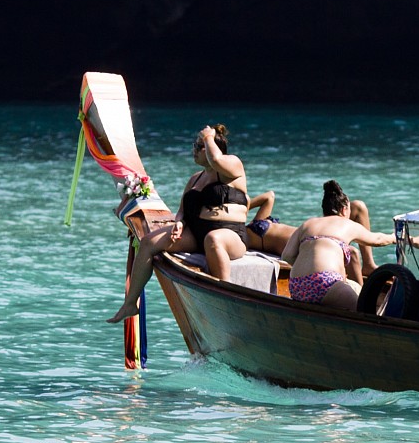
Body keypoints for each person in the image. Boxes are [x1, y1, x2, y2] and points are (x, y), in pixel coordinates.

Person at [110, 124, 253, 321]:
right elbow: (182, 210)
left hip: (230, 235)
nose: (193, 150)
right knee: (149, 243)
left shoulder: (232, 165)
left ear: (210, 148)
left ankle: (226, 298)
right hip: (196, 233)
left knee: (214, 239)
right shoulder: (196, 178)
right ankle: (130, 304)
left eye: (198, 146)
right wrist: (179, 223)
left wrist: (209, 137)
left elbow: (217, 159)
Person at [280, 180, 395, 308]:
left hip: (297, 286)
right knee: (364, 309)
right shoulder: (347, 224)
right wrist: (393, 238)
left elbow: (287, 256)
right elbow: (378, 239)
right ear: (344, 209)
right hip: (325, 282)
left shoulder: (308, 223)